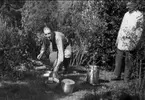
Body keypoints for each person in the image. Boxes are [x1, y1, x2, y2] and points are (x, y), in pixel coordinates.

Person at [112, 0, 144, 82]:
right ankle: (116, 75)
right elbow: (122, 27)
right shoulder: (126, 14)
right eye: (127, 6)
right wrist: (118, 38)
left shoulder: (139, 15)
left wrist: (135, 42)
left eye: (129, 6)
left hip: (131, 40)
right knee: (118, 58)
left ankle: (126, 78)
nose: (127, 7)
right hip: (122, 39)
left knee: (129, 59)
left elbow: (139, 30)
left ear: (134, 6)